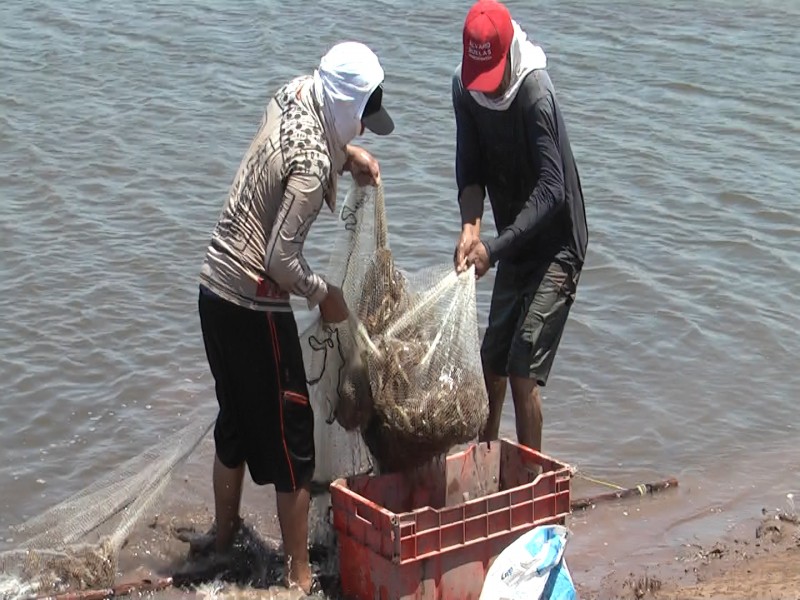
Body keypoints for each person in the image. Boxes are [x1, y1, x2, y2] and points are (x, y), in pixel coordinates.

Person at [192, 41, 394, 594]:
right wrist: (324, 293)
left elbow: (302, 136)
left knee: (234, 421)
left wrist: (347, 157)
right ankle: (299, 574)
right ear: (346, 104)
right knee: (294, 438)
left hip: (213, 288)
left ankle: (223, 537)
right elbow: (282, 262)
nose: (360, 130)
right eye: (360, 121)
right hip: (252, 304)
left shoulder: (293, 92)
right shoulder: (313, 166)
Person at [452, 0, 588, 452]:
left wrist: (494, 247)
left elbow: (554, 190)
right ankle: (483, 466)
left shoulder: (535, 92)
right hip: (512, 241)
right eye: (480, 84)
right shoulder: (464, 87)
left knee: (522, 368)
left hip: (557, 242)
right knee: (491, 361)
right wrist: (471, 229)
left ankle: (530, 476)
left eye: (493, 84)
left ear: (510, 52)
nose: (487, 93)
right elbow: (470, 168)